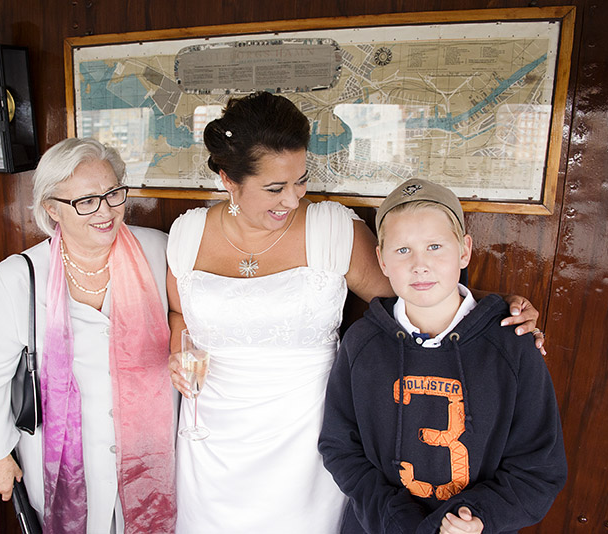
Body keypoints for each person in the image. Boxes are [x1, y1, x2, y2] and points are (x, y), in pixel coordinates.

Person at [166, 92, 543, 533]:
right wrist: (178, 353)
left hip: (308, 438)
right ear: (229, 179)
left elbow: (416, 293)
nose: (292, 199)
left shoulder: (331, 229)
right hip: (211, 435)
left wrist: (500, 309)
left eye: (300, 181)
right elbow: (180, 313)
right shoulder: (187, 234)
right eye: (274, 188)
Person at [318, 178, 567, 533]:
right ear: (382, 260)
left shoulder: (512, 345)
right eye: (402, 250)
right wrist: (396, 519)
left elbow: (538, 467)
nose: (420, 265)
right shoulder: (361, 343)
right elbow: (341, 448)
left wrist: (478, 518)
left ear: (464, 251)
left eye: (435, 246)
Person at [0, 137, 176, 534]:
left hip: (151, 450)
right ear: (52, 208)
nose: (106, 211)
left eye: (113, 193)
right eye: (86, 201)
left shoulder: (158, 250)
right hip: (64, 455)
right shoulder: (19, 277)